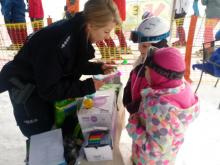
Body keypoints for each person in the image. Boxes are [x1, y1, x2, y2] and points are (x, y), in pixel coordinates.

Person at [0, 0, 121, 138]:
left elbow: (70, 64)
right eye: (106, 31)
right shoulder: (58, 42)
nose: (108, 36)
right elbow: (49, 89)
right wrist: (87, 86)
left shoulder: (77, 30)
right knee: (43, 138)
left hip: (42, 89)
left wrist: (99, 68)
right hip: (27, 93)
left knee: (57, 131)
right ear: (91, 25)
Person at [126, 47, 199, 165]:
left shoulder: (159, 108)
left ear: (158, 74)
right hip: (167, 156)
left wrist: (134, 127)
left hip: (148, 161)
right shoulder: (182, 89)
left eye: (146, 69)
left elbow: (154, 150)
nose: (145, 73)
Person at [123, 16, 170, 114]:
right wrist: (127, 95)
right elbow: (134, 76)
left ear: (158, 46)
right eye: (139, 44)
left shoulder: (162, 70)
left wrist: (135, 108)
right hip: (134, 112)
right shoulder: (144, 57)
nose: (139, 49)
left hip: (147, 117)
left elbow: (157, 96)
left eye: (144, 46)